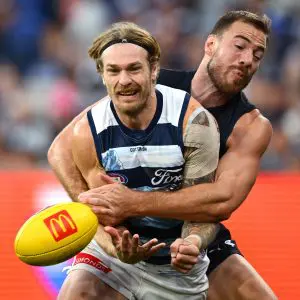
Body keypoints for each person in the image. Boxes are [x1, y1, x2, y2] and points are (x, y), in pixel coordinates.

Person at [72, 10, 278, 300]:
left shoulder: (250, 127)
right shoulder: (147, 82)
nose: (247, 59)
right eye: (240, 45)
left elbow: (220, 202)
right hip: (125, 236)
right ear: (210, 45)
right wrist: (91, 214)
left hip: (194, 234)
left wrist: (132, 203)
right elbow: (62, 148)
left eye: (258, 54)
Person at [51, 21, 221, 300]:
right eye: (113, 71)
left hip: (174, 266)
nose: (124, 80)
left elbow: (204, 207)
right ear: (101, 75)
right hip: (115, 260)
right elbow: (102, 216)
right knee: (77, 291)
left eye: (134, 68)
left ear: (154, 70)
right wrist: (115, 247)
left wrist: (192, 241)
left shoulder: (194, 122)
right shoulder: (87, 133)